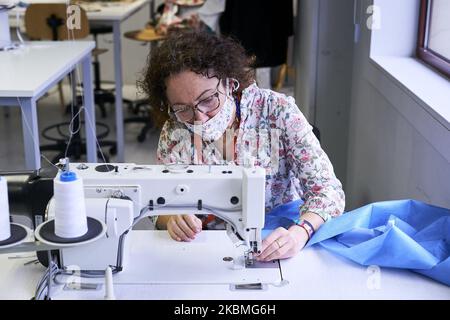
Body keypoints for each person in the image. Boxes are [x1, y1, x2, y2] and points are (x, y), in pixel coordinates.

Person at [139, 30, 345, 262]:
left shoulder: (277, 112)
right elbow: (157, 202)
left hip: (281, 238)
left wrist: (300, 233)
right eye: (183, 108)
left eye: (208, 99)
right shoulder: (175, 131)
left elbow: (328, 191)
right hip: (206, 249)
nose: (200, 117)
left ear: (228, 82)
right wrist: (172, 219)